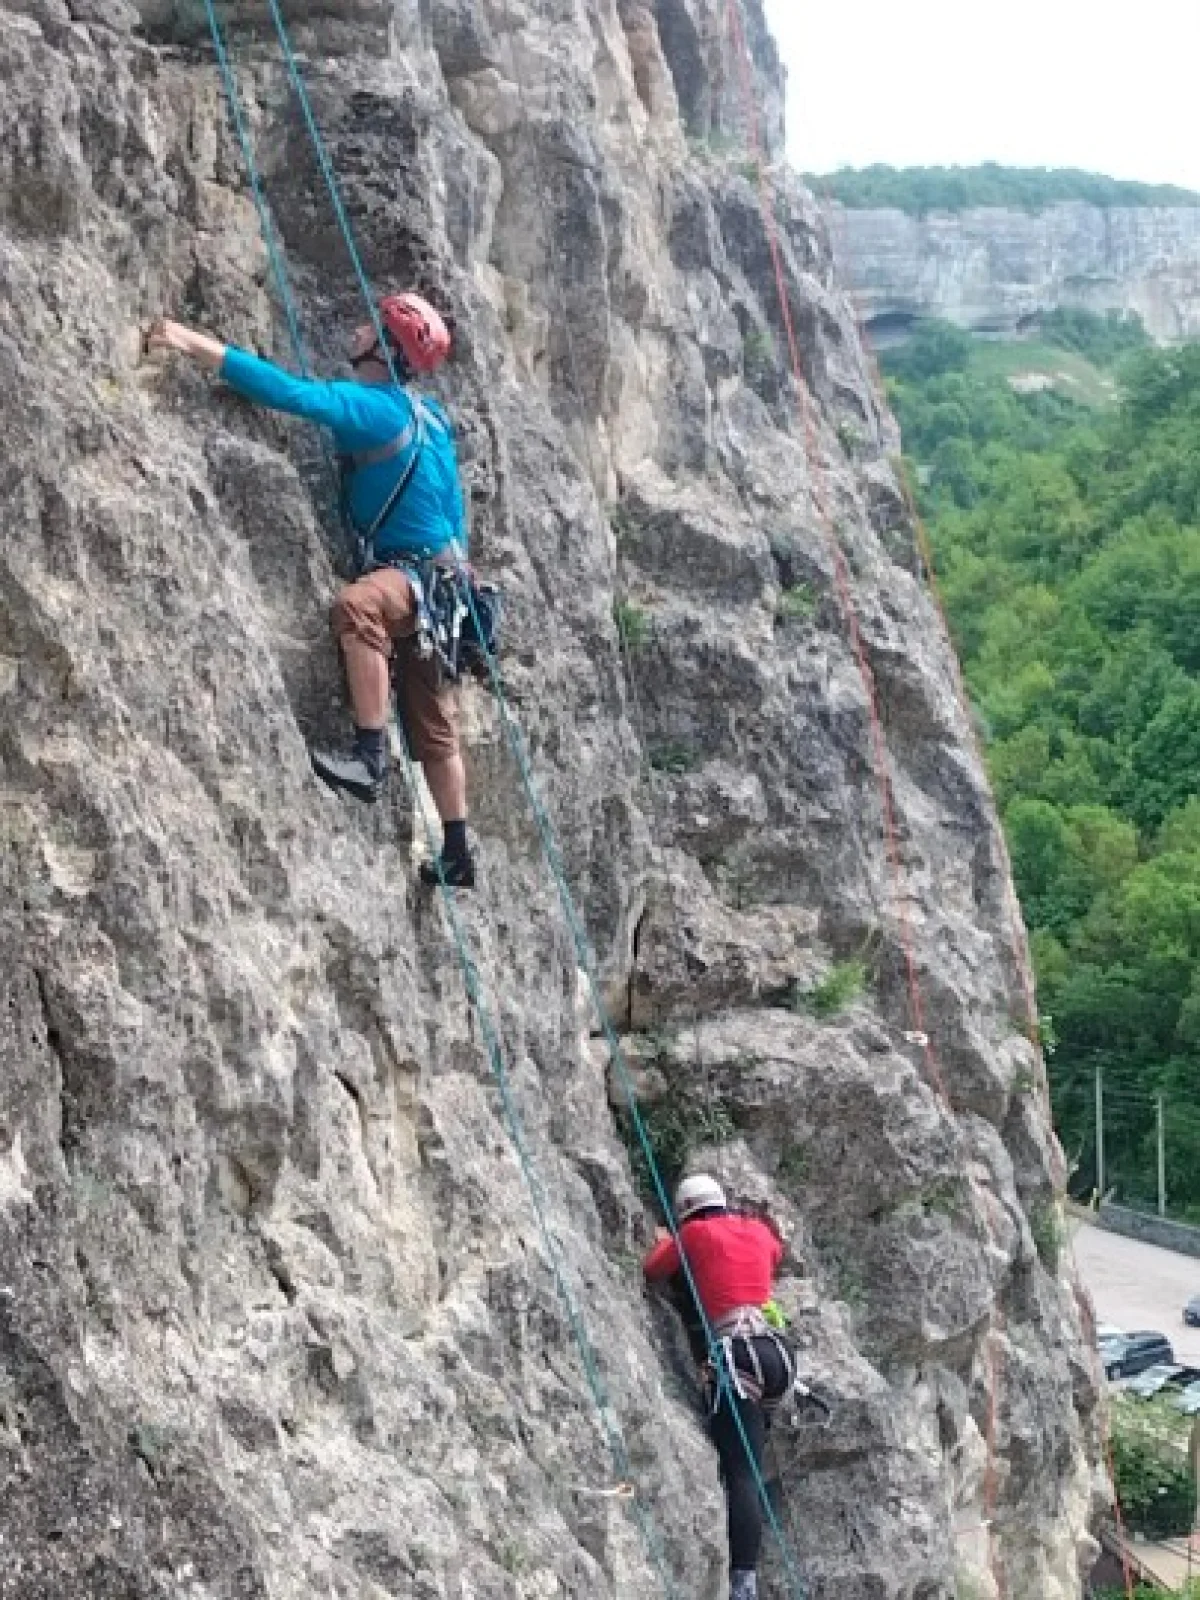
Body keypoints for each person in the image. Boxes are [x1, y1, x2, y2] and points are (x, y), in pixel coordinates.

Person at [147, 293, 476, 888]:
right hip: (449, 587)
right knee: (432, 721)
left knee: (359, 607)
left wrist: (193, 342)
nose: (355, 330)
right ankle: (457, 850)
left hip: (413, 576)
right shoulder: (433, 419)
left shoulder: (376, 409)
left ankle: (370, 757)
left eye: (370, 326)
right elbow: (454, 509)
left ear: (383, 346)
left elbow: (291, 395)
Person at [643, 1174, 795, 1600]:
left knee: (740, 1472)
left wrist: (670, 1240)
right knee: (752, 1461)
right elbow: (774, 1254)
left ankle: (743, 1584)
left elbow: (654, 1269)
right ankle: (750, 1567)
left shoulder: (694, 1232)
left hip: (737, 1354)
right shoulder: (758, 1231)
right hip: (776, 1354)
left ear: (687, 1208)